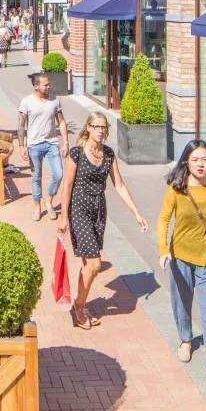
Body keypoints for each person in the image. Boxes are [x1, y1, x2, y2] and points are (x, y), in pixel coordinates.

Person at [58, 112, 148, 329]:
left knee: (87, 263)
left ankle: (81, 303)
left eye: (104, 127)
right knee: (95, 264)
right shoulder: (77, 153)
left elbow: (119, 185)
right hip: (79, 209)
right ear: (88, 128)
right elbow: (67, 186)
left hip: (99, 211)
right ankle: (79, 306)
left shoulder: (108, 154)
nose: (100, 130)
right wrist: (63, 216)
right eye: (97, 126)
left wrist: (137, 213)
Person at [158, 140, 206, 397]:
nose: (201, 164)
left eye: (205, 159)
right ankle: (185, 339)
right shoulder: (177, 189)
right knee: (181, 302)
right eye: (195, 160)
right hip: (180, 256)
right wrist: (163, 249)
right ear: (186, 163)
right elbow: (164, 218)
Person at [18, 73, 68, 222]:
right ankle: (37, 206)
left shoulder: (54, 100)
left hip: (52, 143)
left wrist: (66, 142)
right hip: (34, 144)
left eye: (48, 84)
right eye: (45, 84)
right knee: (36, 176)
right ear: (36, 86)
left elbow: (61, 122)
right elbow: (21, 125)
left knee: (58, 174)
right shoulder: (26, 102)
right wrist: (22, 146)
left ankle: (49, 200)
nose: (48, 87)